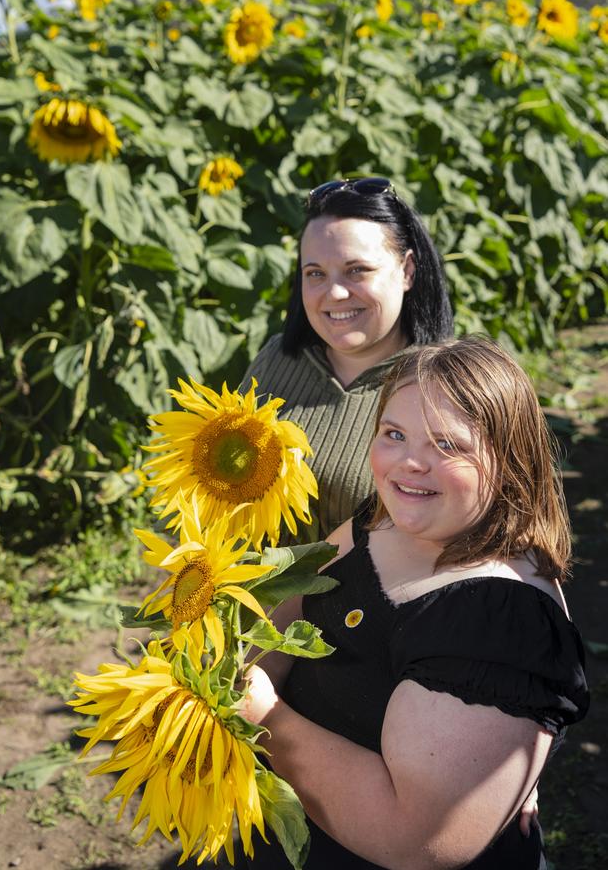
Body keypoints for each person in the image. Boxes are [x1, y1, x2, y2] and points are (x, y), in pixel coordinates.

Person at [239, 336, 589, 870]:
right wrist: (241, 682)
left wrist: (262, 719)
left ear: (509, 459)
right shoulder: (383, 517)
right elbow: (293, 601)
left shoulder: (497, 621)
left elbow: (418, 841)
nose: (409, 464)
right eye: (394, 434)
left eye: (447, 446)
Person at [240, 177, 454, 541]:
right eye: (315, 274)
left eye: (358, 270)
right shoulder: (276, 361)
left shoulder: (448, 387)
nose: (335, 293)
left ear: (407, 270)